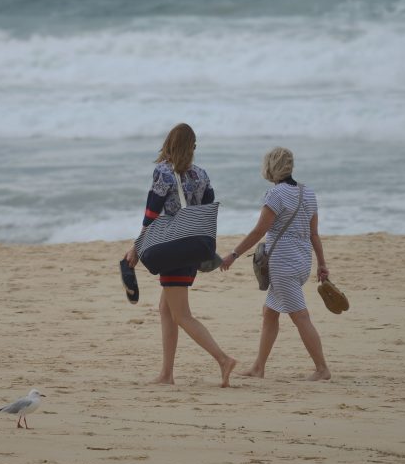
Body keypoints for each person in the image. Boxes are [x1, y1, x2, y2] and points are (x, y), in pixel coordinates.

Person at [125, 123, 237, 387]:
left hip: (172, 247)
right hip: (193, 247)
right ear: (192, 147)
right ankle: (167, 374)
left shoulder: (163, 172)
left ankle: (223, 359)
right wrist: (206, 251)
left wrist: (136, 246)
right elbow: (208, 211)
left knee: (182, 314)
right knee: (166, 310)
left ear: (169, 144)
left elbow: (151, 214)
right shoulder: (202, 175)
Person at [220, 146, 331, 381]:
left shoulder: (276, 195)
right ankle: (258, 367)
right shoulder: (308, 193)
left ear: (270, 167)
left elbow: (260, 230)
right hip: (302, 261)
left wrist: (234, 254)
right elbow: (314, 235)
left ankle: (322, 369)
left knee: (300, 317)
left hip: (282, 263)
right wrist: (321, 264)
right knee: (270, 313)